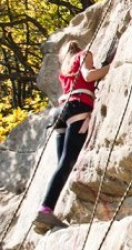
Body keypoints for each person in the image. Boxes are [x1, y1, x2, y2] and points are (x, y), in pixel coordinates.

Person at [32, 40, 111, 233]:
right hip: (77, 107)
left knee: (62, 166)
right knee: (68, 161)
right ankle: (45, 210)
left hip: (60, 113)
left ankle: (49, 209)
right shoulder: (84, 54)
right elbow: (89, 75)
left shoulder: (65, 67)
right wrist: (112, 66)